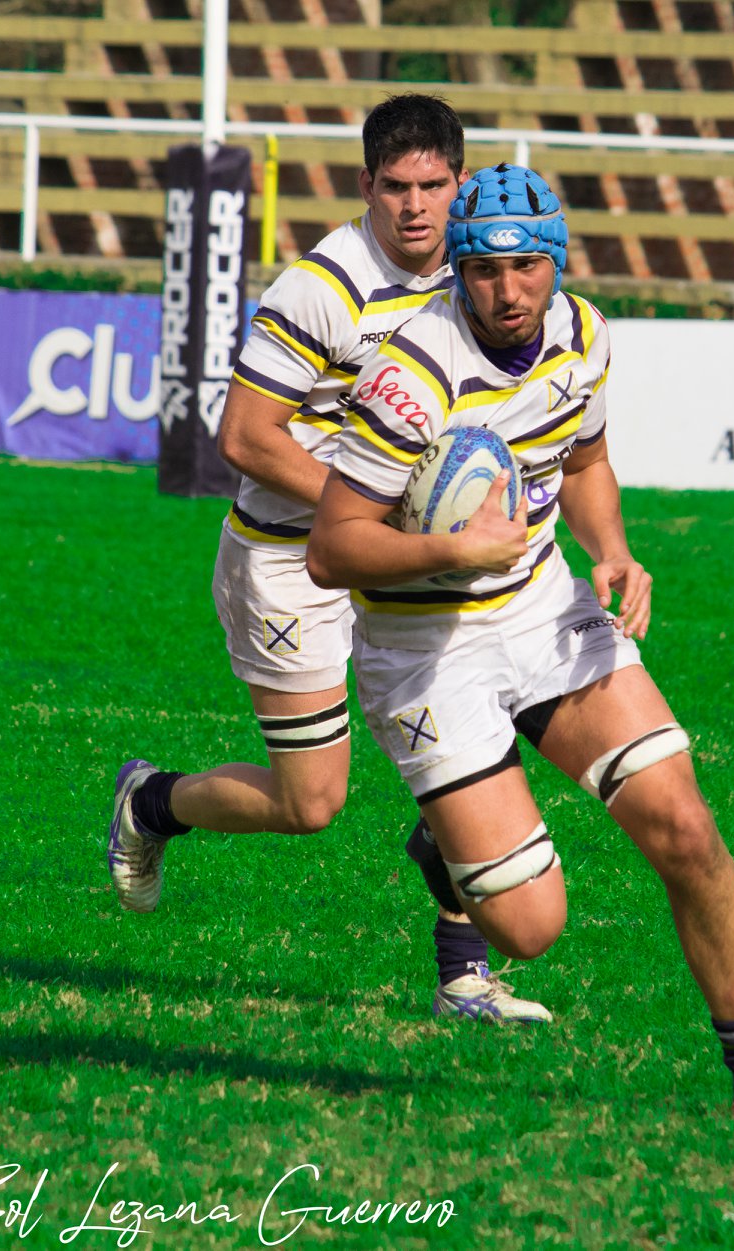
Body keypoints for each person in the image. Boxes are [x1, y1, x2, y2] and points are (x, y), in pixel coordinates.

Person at [305, 163, 734, 1126]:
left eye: (527, 266)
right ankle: (450, 839)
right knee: (530, 929)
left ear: (556, 262)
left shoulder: (580, 334)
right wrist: (453, 545)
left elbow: (587, 461)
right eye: (485, 269)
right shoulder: (410, 376)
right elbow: (329, 548)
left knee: (683, 826)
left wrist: (611, 550)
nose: (508, 290)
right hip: (423, 647)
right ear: (459, 267)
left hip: (538, 606)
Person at [104, 95, 547, 1023]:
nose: (415, 206)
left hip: (415, 554)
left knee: (466, 740)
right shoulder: (321, 287)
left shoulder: (476, 273)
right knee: (311, 801)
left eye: (434, 185)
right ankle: (152, 804)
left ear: (459, 183)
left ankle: (464, 975)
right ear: (366, 187)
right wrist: (371, 512)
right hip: (286, 557)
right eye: (396, 187)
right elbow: (244, 435)